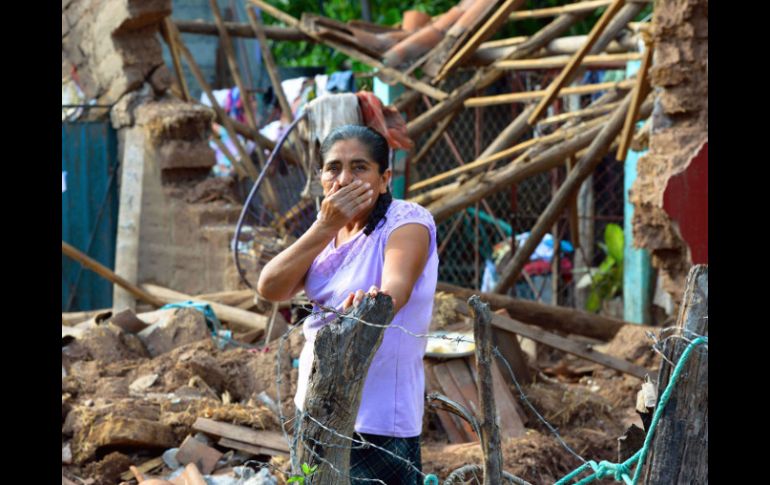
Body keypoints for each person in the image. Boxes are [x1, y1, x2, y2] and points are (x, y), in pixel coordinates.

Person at [257, 124, 438, 484]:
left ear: (384, 178)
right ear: (321, 178)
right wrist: (324, 227)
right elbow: (270, 287)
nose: (344, 178)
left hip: (379, 419)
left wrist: (372, 305)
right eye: (333, 168)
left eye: (359, 167)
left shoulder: (406, 222)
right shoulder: (326, 233)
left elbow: (395, 289)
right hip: (315, 404)